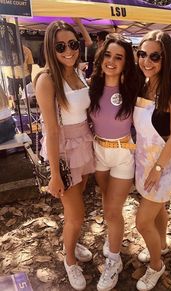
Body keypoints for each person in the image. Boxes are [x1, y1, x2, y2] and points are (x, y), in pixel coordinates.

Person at [34, 20, 95, 291]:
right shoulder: (47, 80)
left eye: (73, 44)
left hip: (85, 142)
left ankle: (72, 241)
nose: (68, 50)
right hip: (64, 149)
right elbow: (52, 130)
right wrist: (55, 174)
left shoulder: (78, 72)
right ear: (50, 48)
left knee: (76, 207)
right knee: (77, 214)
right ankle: (69, 259)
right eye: (60, 46)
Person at [134, 30, 171, 291]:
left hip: (161, 167)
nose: (146, 61)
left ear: (166, 59)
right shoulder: (143, 84)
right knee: (159, 211)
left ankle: (156, 266)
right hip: (142, 162)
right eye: (142, 54)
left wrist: (157, 168)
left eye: (154, 56)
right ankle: (162, 246)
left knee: (142, 222)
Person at [89, 33, 139, 291]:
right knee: (106, 204)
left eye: (118, 57)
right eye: (108, 55)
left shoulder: (133, 89)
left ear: (125, 62)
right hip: (98, 153)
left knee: (112, 211)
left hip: (122, 154)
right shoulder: (92, 85)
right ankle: (114, 240)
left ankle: (114, 260)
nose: (111, 61)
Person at [4, 43, 34, 109]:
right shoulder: (26, 50)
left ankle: (26, 107)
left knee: (26, 92)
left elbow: (29, 64)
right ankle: (16, 107)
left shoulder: (26, 50)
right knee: (14, 92)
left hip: (24, 75)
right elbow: (30, 64)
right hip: (12, 75)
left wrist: (29, 74)